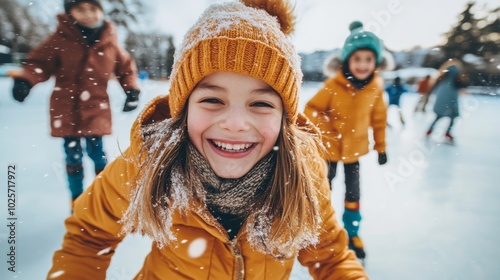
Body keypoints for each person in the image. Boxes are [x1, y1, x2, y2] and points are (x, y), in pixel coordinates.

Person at [46, 1, 368, 279]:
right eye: (212, 100)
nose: (235, 124)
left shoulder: (304, 171)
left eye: (261, 104)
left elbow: (331, 257)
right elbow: (88, 236)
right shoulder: (150, 159)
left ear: (284, 118)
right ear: (183, 108)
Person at [9, 0, 140, 206]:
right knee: (73, 157)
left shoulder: (110, 42)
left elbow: (126, 69)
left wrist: (132, 90)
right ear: (71, 13)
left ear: (100, 11)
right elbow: (39, 63)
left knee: (98, 155)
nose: (88, 14)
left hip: (96, 108)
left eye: (93, 9)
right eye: (80, 9)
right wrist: (26, 80)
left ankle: (102, 199)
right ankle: (76, 199)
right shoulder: (60, 39)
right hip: (66, 109)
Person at [304, 20, 388, 261]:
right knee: (323, 190)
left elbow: (379, 119)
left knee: (353, 194)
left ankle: (352, 233)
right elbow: (312, 109)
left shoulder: (375, 90)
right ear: (347, 61)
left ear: (375, 63)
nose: (363, 64)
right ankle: (320, 230)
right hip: (329, 151)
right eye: (357, 59)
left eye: (368, 59)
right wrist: (326, 131)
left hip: (354, 152)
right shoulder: (333, 86)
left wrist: (381, 147)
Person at [426, 59, 468, 142]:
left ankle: (430, 130)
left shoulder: (442, 76)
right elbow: (462, 85)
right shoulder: (456, 77)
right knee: (452, 117)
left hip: (441, 98)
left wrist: (428, 95)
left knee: (438, 116)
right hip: (451, 99)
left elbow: (433, 86)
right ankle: (448, 132)